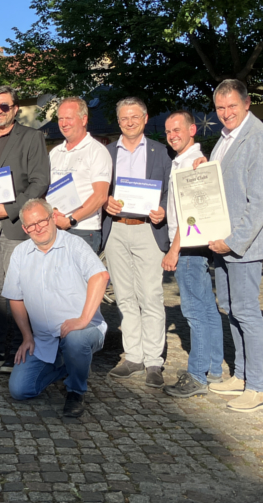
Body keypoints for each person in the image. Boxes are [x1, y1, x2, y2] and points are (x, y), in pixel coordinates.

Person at [195, 79, 263, 413]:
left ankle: (259, 388)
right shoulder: (225, 139)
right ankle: (243, 374)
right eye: (220, 108)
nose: (226, 113)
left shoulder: (258, 138)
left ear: (247, 104)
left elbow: (259, 199)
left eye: (232, 106)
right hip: (223, 240)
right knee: (231, 307)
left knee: (246, 311)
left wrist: (233, 242)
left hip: (243, 243)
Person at [0, 86, 51, 373]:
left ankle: (19, 349)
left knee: (18, 288)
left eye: (4, 106)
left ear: (15, 109)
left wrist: (12, 209)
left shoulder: (31, 137)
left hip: (15, 224)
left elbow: (40, 182)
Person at [4, 199, 110, 419]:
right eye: (31, 225)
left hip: (84, 330)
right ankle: (70, 364)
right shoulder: (20, 253)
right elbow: (15, 298)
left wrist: (82, 320)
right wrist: (27, 336)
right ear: (25, 228)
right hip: (44, 339)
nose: (38, 228)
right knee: (20, 390)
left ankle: (75, 391)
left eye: (42, 220)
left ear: (52, 217)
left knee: (75, 339)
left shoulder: (75, 245)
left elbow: (100, 276)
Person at [102, 97, 171, 389]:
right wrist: (104, 201)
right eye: (123, 119)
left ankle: (154, 361)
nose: (129, 123)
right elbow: (97, 189)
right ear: (118, 122)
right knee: (126, 297)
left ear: (145, 119)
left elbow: (171, 189)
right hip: (116, 230)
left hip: (147, 229)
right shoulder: (106, 153)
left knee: (151, 296)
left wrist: (164, 210)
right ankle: (133, 355)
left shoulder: (161, 152)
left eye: (134, 117)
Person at [159, 111, 224, 397]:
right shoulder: (183, 161)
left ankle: (197, 375)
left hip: (188, 245)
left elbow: (190, 215)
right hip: (195, 244)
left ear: (192, 130)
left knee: (195, 312)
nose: (173, 135)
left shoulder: (192, 164)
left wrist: (174, 250)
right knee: (208, 309)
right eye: (168, 131)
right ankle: (214, 370)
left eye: (178, 129)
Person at [48, 97, 112, 253]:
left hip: (83, 230)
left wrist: (70, 220)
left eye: (69, 118)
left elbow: (100, 196)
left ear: (84, 120)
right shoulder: (55, 153)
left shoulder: (97, 151)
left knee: (80, 278)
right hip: (55, 228)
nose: (63, 123)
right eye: (60, 119)